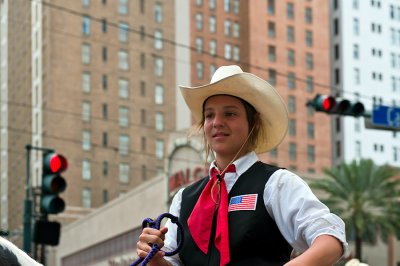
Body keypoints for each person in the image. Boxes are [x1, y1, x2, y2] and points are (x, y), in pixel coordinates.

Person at [136, 65, 347, 266]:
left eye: (229, 113)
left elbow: (330, 238)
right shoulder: (184, 198)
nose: (217, 121)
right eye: (209, 115)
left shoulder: (276, 184)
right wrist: (154, 257)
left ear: (253, 122)